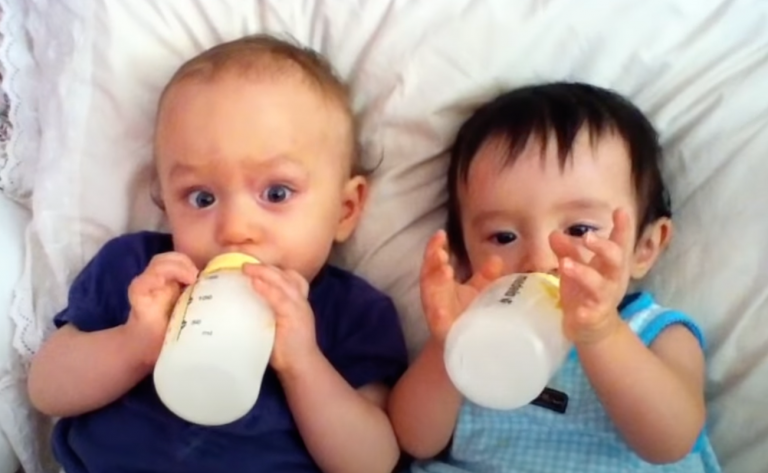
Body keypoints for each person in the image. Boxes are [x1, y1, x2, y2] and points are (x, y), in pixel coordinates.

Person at [27, 34, 408, 473]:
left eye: (276, 192)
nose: (234, 229)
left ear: (345, 210)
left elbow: (372, 462)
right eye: (201, 198)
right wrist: (134, 344)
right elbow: (46, 389)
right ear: (165, 204)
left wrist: (303, 364)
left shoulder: (350, 312)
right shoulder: (139, 275)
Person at [389, 82, 721, 472]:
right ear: (463, 257)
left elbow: (672, 441)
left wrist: (601, 332)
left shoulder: (656, 333)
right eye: (503, 236)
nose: (539, 259)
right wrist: (446, 347)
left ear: (645, 247)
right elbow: (415, 440)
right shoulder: (478, 332)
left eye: (579, 230)